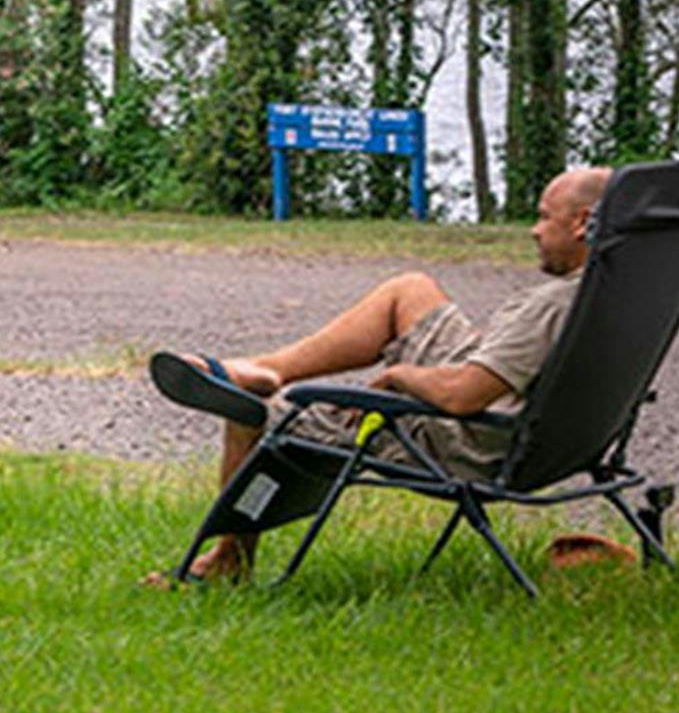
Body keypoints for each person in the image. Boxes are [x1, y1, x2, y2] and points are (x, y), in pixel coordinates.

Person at [150, 165, 612, 585]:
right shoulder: (620, 290)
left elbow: (463, 396)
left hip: (464, 437)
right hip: (547, 433)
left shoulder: (556, 306)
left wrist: (398, 378)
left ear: (580, 222)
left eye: (543, 217)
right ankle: (267, 367)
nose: (533, 230)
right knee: (408, 291)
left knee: (257, 414)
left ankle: (231, 561)